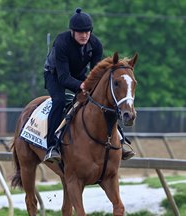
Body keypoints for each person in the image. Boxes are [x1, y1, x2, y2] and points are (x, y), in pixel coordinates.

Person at [43, 7, 135, 163]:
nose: (84, 35)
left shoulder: (96, 44)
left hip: (78, 75)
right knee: (58, 101)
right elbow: (64, 77)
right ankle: (52, 146)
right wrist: (83, 86)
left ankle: (120, 139)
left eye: (87, 32)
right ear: (72, 31)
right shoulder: (62, 42)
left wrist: (93, 88)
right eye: (80, 32)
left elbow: (96, 72)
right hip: (55, 75)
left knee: (104, 100)